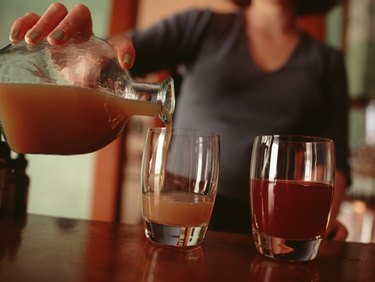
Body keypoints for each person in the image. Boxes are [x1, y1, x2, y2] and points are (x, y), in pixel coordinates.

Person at [9, 0, 351, 239]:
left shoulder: (327, 61)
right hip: (181, 206)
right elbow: (115, 57)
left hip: (273, 217)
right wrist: (80, 53)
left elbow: (335, 161)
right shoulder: (203, 26)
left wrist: (323, 220)